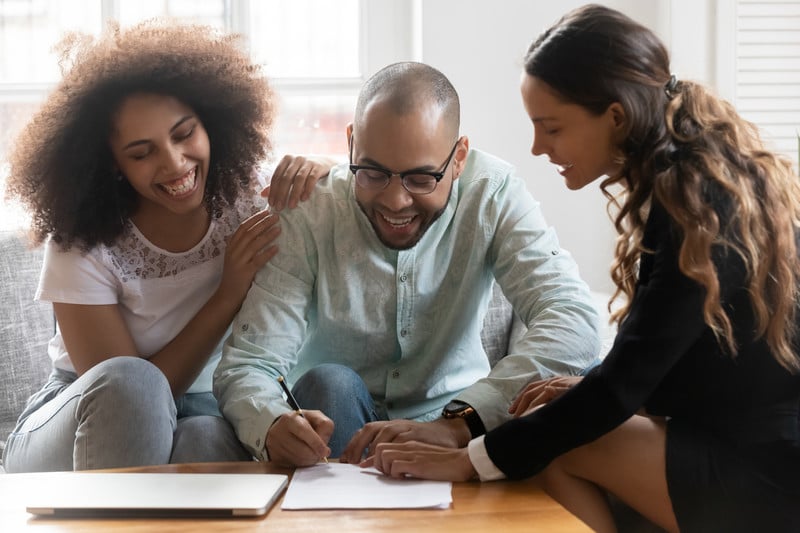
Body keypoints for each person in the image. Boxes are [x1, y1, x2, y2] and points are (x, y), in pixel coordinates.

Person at [365, 5, 800, 533]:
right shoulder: (694, 182)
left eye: (551, 127)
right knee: (547, 419)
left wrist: (469, 458)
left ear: (615, 117)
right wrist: (586, 385)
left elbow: (625, 388)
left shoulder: (697, 209)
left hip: (767, 473)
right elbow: (661, 364)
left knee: (556, 448)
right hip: (743, 442)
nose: (536, 147)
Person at [214, 60, 602, 467]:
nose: (396, 202)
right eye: (373, 173)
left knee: (582, 382)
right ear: (350, 146)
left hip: (454, 422)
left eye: (420, 179)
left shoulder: (494, 193)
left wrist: (464, 418)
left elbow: (572, 316)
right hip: (334, 420)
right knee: (332, 383)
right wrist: (272, 423)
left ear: (459, 158)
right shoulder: (310, 209)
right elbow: (251, 361)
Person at [1, 20, 330, 472]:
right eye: (141, 153)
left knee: (206, 436)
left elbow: (344, 188)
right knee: (133, 383)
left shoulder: (248, 196)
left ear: (212, 124)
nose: (175, 164)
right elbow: (136, 396)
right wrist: (228, 294)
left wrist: (320, 165)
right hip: (85, 414)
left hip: (207, 408)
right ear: (112, 165)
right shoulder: (82, 239)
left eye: (184, 133)